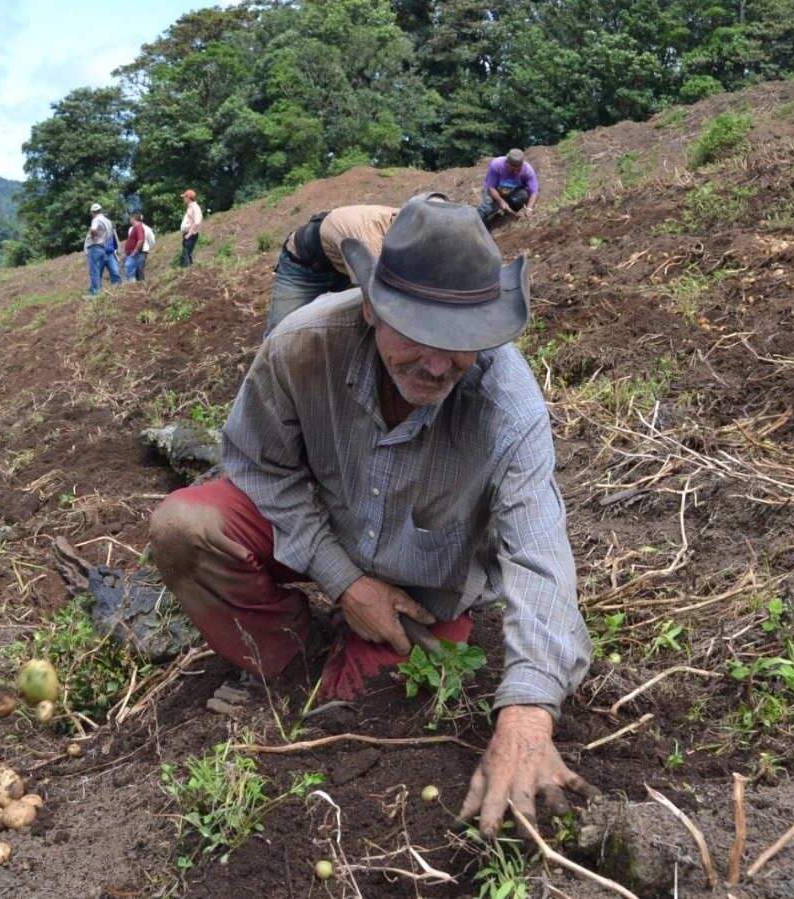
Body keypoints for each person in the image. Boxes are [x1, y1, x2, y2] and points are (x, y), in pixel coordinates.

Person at [148, 193, 596, 841]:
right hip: (326, 529)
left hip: (422, 585)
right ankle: (288, 654)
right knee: (185, 527)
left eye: (460, 344)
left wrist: (527, 711)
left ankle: (344, 662)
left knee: (362, 718)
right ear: (370, 305)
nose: (437, 364)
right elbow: (257, 464)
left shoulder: (508, 406)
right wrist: (344, 580)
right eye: (416, 335)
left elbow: (539, 553)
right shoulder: (302, 346)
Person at [265, 205, 398, 336]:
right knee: (279, 332)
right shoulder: (369, 238)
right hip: (304, 267)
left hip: (342, 265)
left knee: (355, 326)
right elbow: (375, 297)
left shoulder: (409, 221)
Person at [477, 149, 539, 224]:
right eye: (513, 169)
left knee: (524, 195)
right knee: (487, 207)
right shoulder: (496, 165)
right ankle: (474, 223)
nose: (516, 172)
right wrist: (500, 201)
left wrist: (529, 208)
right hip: (494, 191)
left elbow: (534, 192)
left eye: (519, 169)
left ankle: (508, 212)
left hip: (512, 193)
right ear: (507, 163)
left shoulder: (528, 170)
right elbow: (491, 187)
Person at [84, 203, 121, 295]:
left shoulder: (96, 220)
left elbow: (93, 229)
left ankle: (94, 293)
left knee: (95, 272)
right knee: (101, 272)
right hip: (103, 248)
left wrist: (94, 237)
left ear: (92, 212)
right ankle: (115, 290)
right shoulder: (108, 222)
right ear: (101, 210)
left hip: (96, 248)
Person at [123, 212, 152, 282]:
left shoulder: (139, 227)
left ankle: (133, 288)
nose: (130, 220)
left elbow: (141, 239)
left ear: (133, 218)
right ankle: (134, 288)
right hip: (131, 254)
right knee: (132, 273)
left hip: (134, 255)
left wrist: (134, 251)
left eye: (130, 218)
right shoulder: (135, 228)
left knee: (132, 274)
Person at [179, 189, 202, 267]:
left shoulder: (195, 207)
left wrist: (189, 234)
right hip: (188, 235)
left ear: (188, 197)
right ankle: (190, 272)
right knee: (187, 255)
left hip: (191, 235)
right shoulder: (191, 207)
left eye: (184, 197)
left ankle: (187, 274)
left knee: (184, 257)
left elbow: (197, 221)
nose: (183, 199)